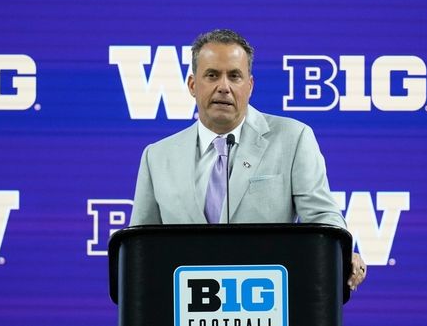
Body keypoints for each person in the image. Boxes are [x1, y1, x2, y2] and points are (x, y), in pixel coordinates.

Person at [129, 29, 367, 290]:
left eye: (234, 76)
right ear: (193, 85)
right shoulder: (158, 156)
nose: (223, 87)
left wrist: (342, 252)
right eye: (212, 75)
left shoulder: (293, 138)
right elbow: (140, 247)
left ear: (250, 86)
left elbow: (323, 217)